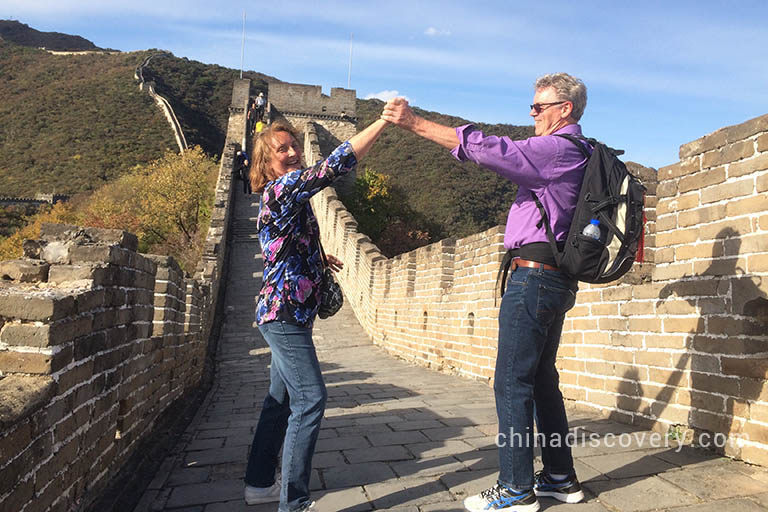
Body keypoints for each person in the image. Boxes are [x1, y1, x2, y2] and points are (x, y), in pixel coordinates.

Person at [381, 72, 589, 512]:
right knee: (542, 380)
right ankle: (559, 477)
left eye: (538, 106)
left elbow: (493, 150)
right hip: (555, 278)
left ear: (564, 109)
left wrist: (416, 123)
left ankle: (515, 489)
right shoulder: (585, 152)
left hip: (533, 278)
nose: (531, 114)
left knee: (512, 382)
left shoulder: (557, 149)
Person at [243, 117, 389, 511]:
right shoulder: (283, 189)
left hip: (288, 313)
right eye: (282, 149)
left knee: (281, 398)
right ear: (265, 162)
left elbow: (277, 244)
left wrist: (315, 255)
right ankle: (294, 503)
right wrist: (384, 122)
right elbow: (333, 165)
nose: (292, 153)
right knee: (311, 400)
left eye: (294, 145)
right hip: (284, 315)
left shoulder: (284, 199)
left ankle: (258, 483)